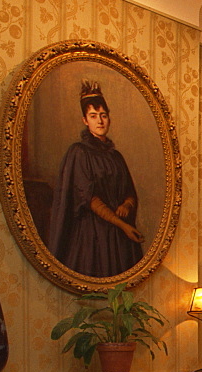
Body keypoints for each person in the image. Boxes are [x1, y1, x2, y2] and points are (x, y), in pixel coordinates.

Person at [46, 80, 144, 277]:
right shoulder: (79, 152)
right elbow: (89, 198)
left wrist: (126, 205)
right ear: (85, 120)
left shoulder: (116, 157)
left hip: (118, 236)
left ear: (109, 118)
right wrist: (123, 225)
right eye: (93, 116)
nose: (100, 121)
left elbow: (129, 192)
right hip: (94, 234)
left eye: (103, 116)